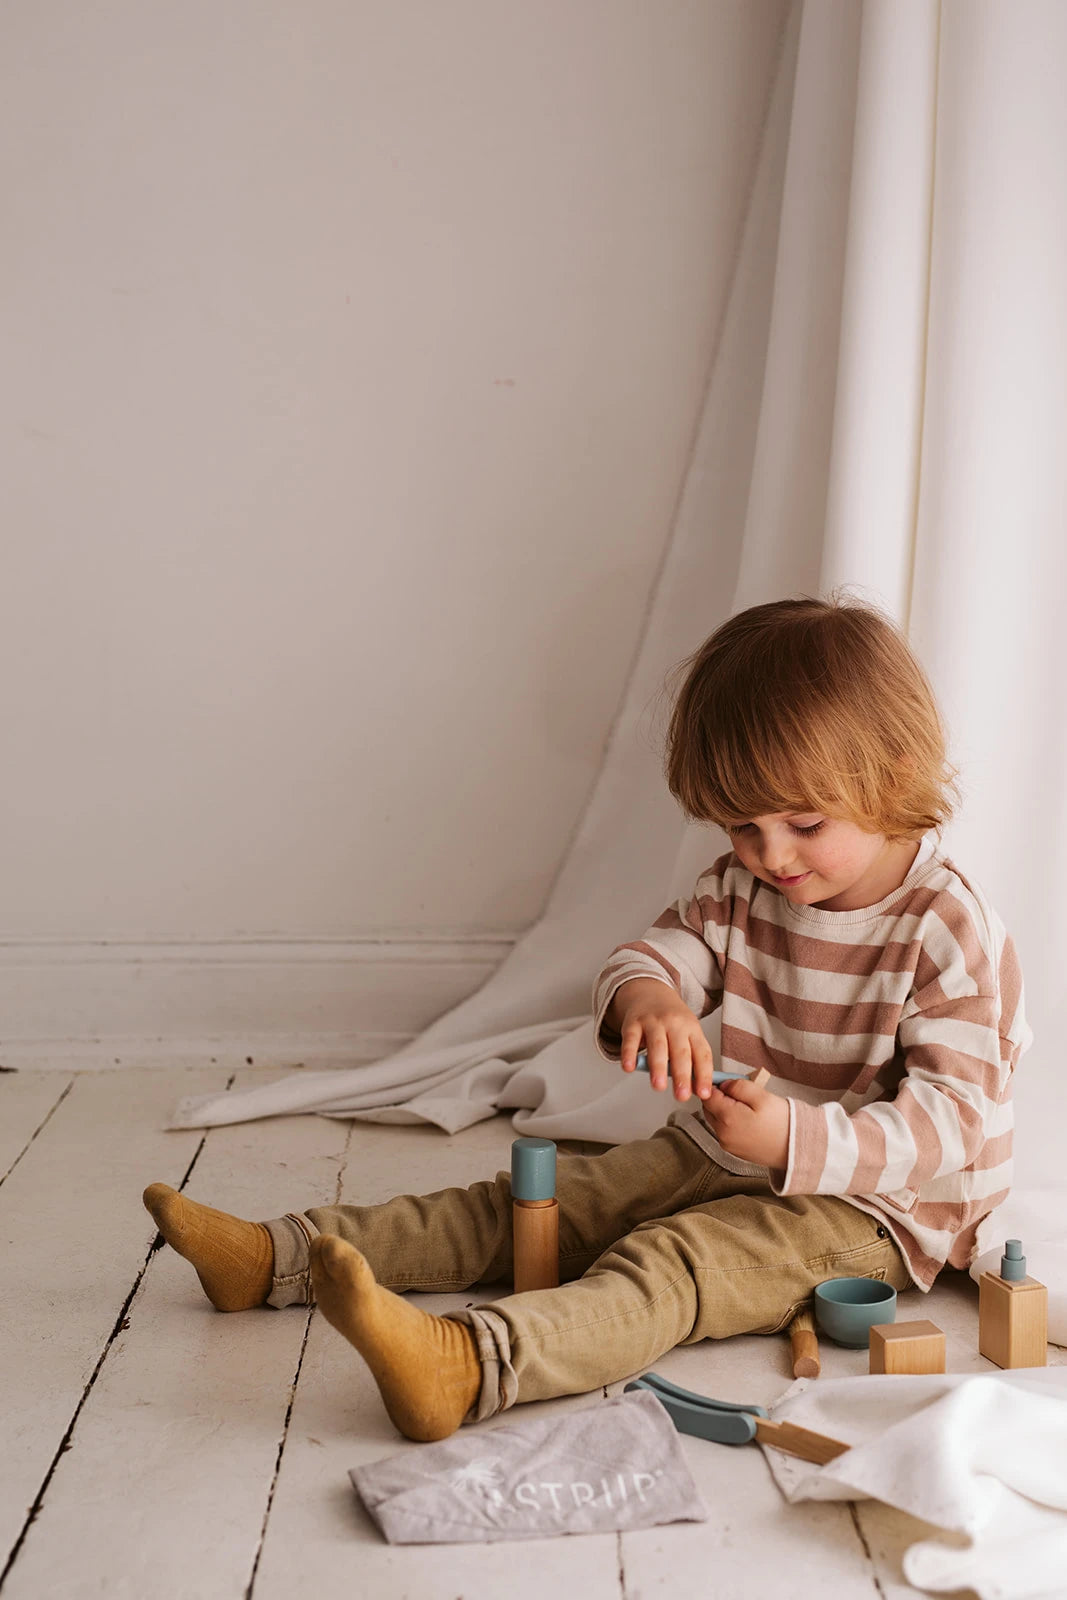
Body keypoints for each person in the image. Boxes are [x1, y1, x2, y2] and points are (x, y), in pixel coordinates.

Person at [143, 595, 1029, 1443]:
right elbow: (650, 958)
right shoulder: (742, 887)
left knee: (677, 1262)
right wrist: (650, 999)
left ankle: (468, 1363)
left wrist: (791, 1141)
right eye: (740, 827)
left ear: (895, 777)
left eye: (801, 822)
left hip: (882, 1212)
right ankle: (273, 1256)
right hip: (737, 1141)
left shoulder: (947, 932)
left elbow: (947, 1126)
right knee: (546, 1202)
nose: (769, 854)